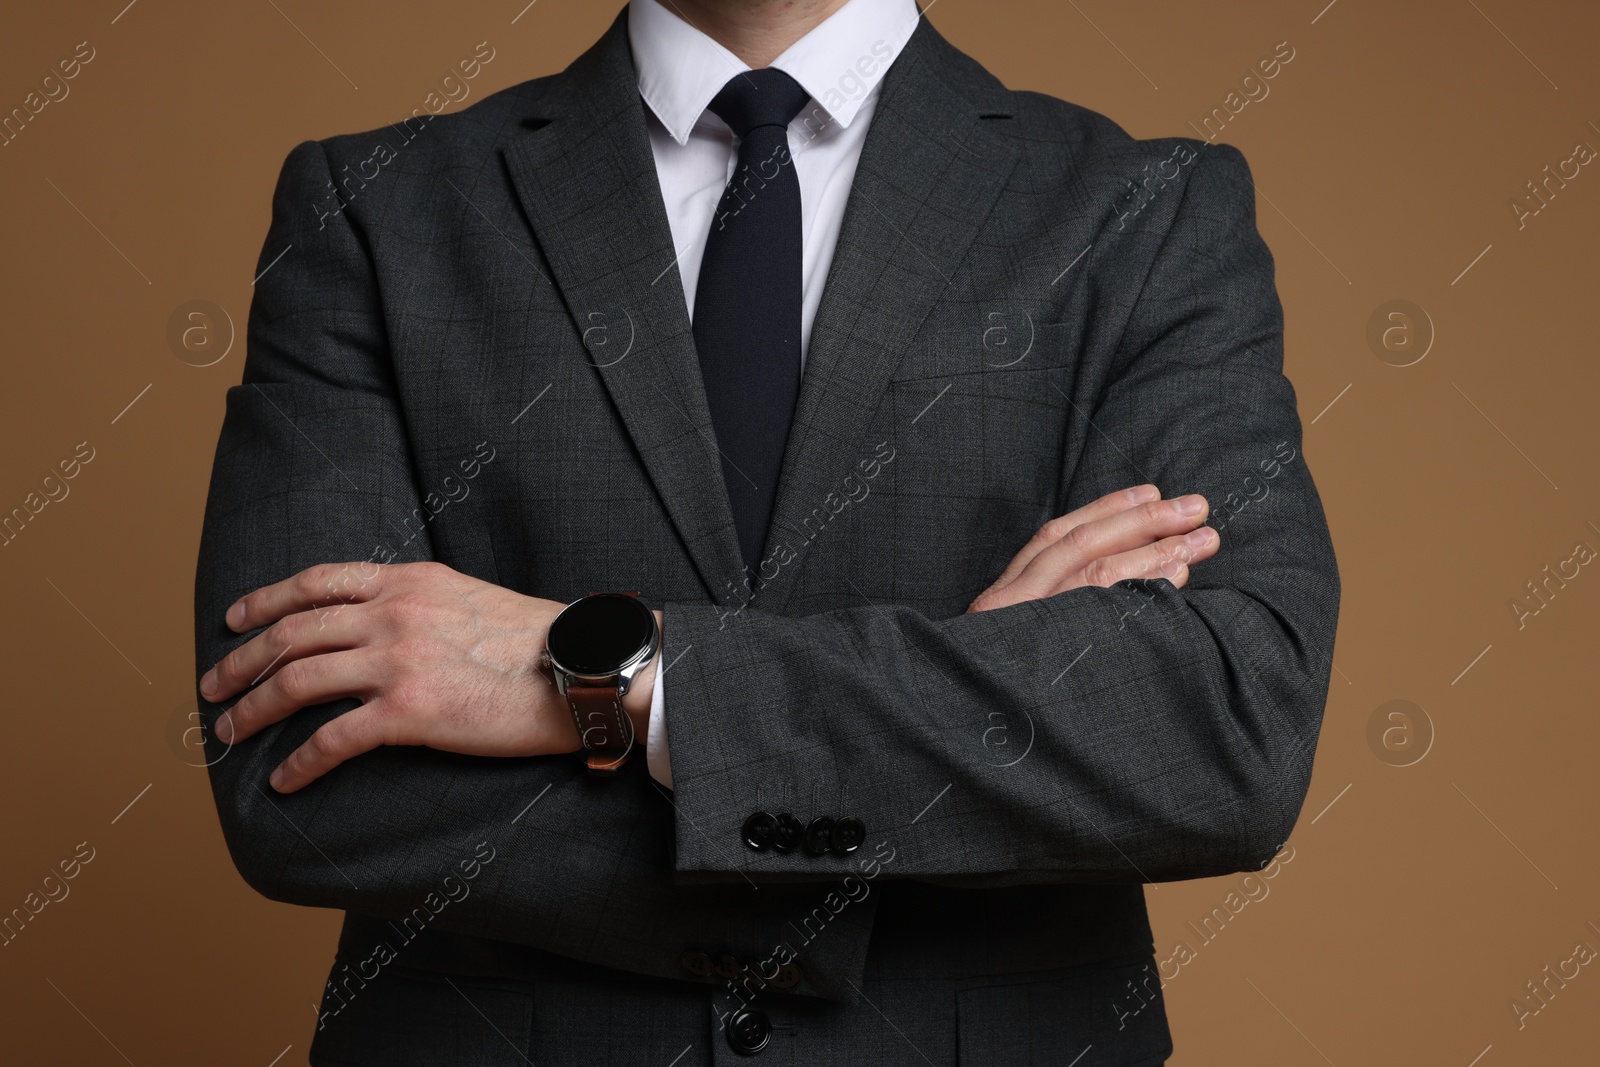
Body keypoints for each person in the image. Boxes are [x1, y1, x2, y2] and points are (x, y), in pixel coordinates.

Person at [193, 0, 1340, 1063]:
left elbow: (1222, 731)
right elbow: (298, 772)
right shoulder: (377, 204)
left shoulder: (1144, 209)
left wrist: (610, 674)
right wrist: (967, 710)